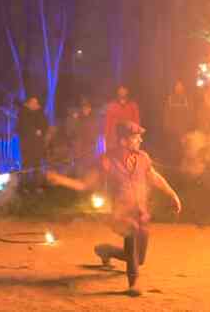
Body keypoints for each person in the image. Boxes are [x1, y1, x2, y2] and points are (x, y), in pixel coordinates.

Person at [46, 121, 182, 296]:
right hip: (120, 215)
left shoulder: (143, 158)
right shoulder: (107, 160)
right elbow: (85, 184)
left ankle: (106, 250)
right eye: (136, 137)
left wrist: (173, 195)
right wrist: (60, 180)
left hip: (141, 214)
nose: (140, 140)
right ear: (123, 141)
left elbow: (155, 177)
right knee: (131, 231)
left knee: (138, 259)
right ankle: (133, 284)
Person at [17, 96, 49, 191]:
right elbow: (22, 127)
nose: (35, 104)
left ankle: (37, 186)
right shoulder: (23, 113)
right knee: (26, 166)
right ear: (28, 103)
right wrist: (34, 131)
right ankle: (24, 187)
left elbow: (45, 125)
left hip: (38, 145)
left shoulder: (40, 113)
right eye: (33, 102)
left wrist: (41, 131)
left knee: (37, 165)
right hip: (27, 145)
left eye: (36, 102)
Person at [66, 99, 99, 174]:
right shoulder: (78, 118)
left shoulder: (93, 119)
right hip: (79, 146)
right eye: (84, 108)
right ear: (82, 109)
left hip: (90, 146)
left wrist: (93, 142)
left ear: (90, 109)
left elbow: (95, 132)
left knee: (89, 165)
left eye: (87, 108)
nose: (86, 110)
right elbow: (71, 132)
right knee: (80, 165)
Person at [104, 86, 140, 150]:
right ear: (117, 91)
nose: (122, 92)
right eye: (120, 90)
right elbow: (107, 123)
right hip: (115, 138)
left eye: (124, 89)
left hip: (128, 137)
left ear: (127, 91)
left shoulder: (133, 105)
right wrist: (107, 139)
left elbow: (136, 122)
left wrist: (136, 137)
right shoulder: (111, 106)